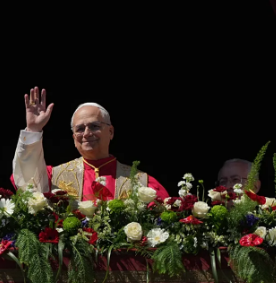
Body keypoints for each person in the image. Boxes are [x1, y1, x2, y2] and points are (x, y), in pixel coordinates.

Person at [12, 86, 169, 201]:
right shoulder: (52, 177)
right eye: (80, 129)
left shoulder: (143, 183)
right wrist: (33, 130)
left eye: (94, 126)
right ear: (74, 138)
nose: (87, 133)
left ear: (111, 132)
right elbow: (27, 182)